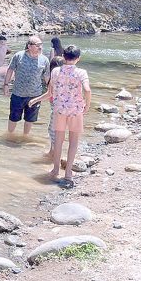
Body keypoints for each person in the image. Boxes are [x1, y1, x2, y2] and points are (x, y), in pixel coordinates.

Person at [29, 45, 91, 188]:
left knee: (58, 141)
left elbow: (50, 93)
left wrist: (36, 99)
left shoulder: (56, 71)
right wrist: (87, 105)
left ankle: (55, 169)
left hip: (59, 110)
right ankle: (68, 173)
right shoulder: (81, 72)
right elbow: (87, 90)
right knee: (73, 141)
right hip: (75, 110)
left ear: (63, 57)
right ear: (78, 58)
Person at [3, 35, 50, 135]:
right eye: (37, 45)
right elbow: (10, 70)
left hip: (35, 95)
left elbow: (46, 76)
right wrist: (6, 85)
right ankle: (9, 136)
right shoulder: (19, 56)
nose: (40, 47)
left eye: (41, 45)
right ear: (29, 46)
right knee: (13, 118)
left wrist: (50, 91)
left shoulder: (44, 60)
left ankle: (25, 137)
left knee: (29, 120)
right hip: (18, 94)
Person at [43, 56, 66, 158]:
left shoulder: (52, 78)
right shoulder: (66, 77)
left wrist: (35, 100)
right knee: (55, 131)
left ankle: (54, 155)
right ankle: (52, 151)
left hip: (56, 108)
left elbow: (49, 93)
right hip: (62, 108)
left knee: (53, 131)